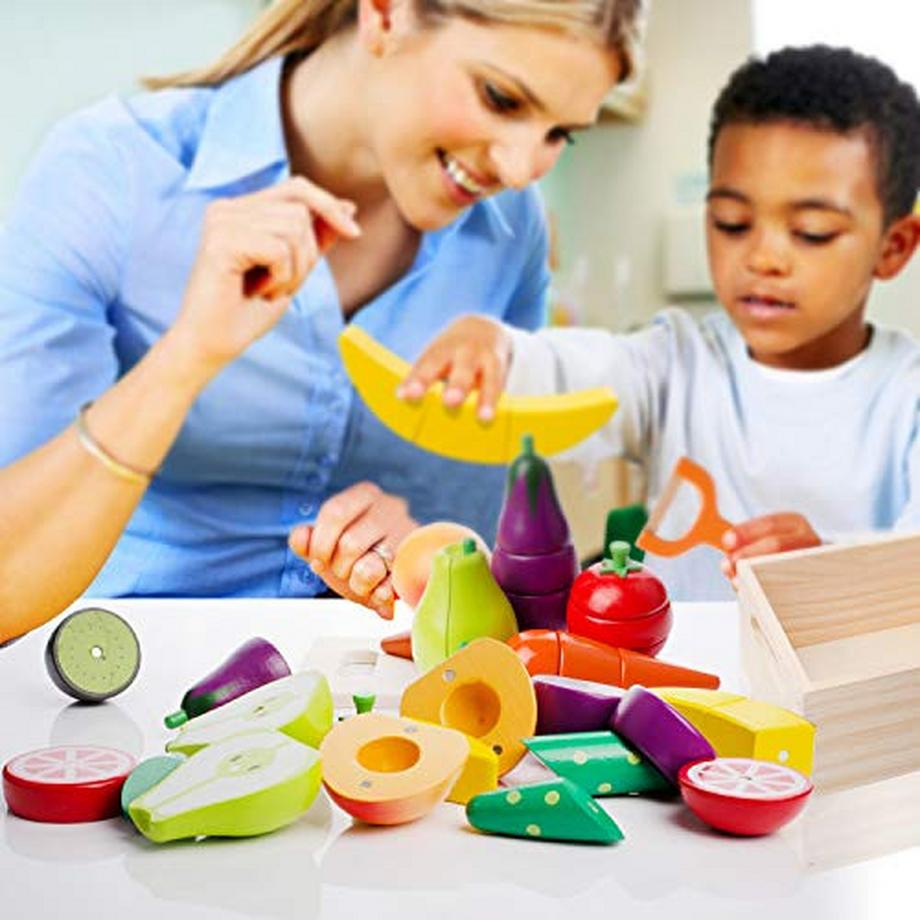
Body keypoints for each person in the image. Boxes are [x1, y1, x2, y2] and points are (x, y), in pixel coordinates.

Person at [0, 0, 644, 643]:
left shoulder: (510, 229)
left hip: (376, 689)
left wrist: (428, 549)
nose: (518, 169)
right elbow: (11, 561)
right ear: (385, 15)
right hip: (127, 670)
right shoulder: (114, 172)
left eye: (561, 133)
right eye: (500, 98)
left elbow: (482, 542)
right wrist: (189, 352)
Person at [400, 45, 920, 600]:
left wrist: (831, 568)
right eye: (732, 222)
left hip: (852, 681)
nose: (763, 258)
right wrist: (498, 347)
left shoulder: (905, 394)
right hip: (683, 684)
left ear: (893, 248)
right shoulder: (677, 361)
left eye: (812, 231)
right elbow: (577, 372)